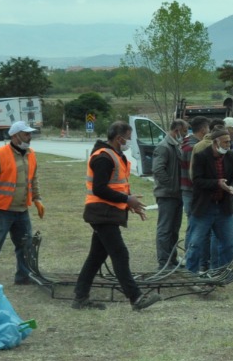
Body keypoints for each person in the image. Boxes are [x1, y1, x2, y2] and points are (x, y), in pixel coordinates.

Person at [74, 120, 160, 311]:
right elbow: (99, 189)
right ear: (119, 138)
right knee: (120, 253)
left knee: (96, 257)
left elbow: (115, 187)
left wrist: (128, 203)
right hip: (101, 213)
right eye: (128, 138)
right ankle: (136, 298)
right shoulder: (104, 157)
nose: (130, 141)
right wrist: (127, 200)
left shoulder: (114, 155)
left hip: (107, 212)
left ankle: (80, 298)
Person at [0, 120, 43, 290]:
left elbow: (33, 180)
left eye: (30, 134)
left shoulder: (31, 154)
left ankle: (23, 276)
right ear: (15, 136)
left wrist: (37, 199)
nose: (30, 137)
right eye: (26, 134)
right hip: (0, 210)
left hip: (21, 209)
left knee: (25, 245)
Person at [187, 125, 233, 274]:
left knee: (229, 244)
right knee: (196, 243)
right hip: (205, 207)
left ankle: (222, 273)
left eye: (229, 141)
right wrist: (217, 183)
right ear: (215, 142)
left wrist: (232, 187)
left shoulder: (230, 156)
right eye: (225, 142)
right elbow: (196, 180)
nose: (228, 145)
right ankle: (191, 273)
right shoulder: (201, 156)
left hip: (224, 207)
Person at [151, 118, 188, 267]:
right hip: (167, 195)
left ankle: (172, 260)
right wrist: (170, 185)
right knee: (165, 229)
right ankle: (164, 262)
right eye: (184, 131)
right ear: (176, 130)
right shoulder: (164, 147)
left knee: (174, 229)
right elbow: (158, 169)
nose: (185, 135)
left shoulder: (175, 145)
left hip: (176, 194)